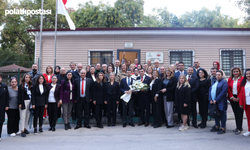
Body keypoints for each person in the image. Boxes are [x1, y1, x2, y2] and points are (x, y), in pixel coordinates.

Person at [209, 70, 228, 134]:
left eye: (219, 75)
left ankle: (223, 127)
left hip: (221, 102)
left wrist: (216, 100)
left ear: (222, 75)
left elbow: (223, 92)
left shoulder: (224, 82)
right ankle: (217, 126)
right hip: (213, 101)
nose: (217, 76)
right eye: (216, 75)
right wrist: (210, 99)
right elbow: (210, 90)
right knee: (216, 114)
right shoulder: (214, 81)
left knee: (222, 114)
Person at [227, 67, 244, 135]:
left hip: (240, 97)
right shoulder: (230, 79)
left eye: (237, 71)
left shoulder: (242, 79)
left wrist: (239, 98)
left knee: (240, 113)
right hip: (232, 97)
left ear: (239, 72)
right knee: (235, 113)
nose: (236, 73)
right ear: (232, 73)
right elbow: (228, 89)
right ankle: (238, 127)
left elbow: (243, 88)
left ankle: (239, 128)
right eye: (234, 72)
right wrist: (232, 97)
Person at [18, 73, 33, 137]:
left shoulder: (31, 86)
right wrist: (20, 103)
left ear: (30, 79)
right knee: (23, 117)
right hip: (23, 102)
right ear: (24, 78)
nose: (27, 78)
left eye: (28, 77)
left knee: (27, 116)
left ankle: (25, 128)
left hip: (29, 102)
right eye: (26, 77)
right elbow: (19, 96)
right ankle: (22, 130)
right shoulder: (21, 86)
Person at [239, 69, 250, 136]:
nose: (248, 75)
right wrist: (241, 103)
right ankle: (249, 130)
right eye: (247, 74)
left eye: (249, 73)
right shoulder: (244, 82)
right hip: (247, 103)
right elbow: (241, 94)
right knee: (248, 118)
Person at [0, 73, 9, 141]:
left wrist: (7, 105)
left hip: (2, 106)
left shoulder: (4, 86)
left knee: (1, 121)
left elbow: (7, 97)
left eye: (0, 77)